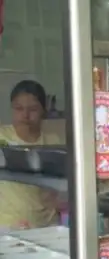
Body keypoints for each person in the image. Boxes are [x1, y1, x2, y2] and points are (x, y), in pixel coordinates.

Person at [0, 80, 63, 231]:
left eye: (33, 109)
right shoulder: (2, 137)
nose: (25, 115)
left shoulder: (54, 141)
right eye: (19, 109)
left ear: (43, 110)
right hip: (9, 226)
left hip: (48, 226)